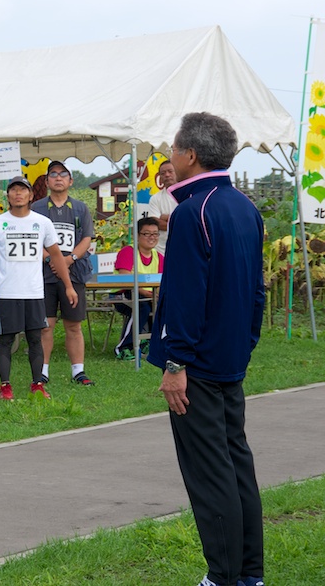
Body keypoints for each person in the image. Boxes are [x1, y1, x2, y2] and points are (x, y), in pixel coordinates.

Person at [148, 113, 265, 586]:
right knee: (237, 465)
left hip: (196, 364)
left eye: (173, 150)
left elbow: (184, 296)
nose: (170, 159)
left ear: (190, 155)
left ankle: (222, 575)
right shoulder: (244, 207)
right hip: (230, 357)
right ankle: (249, 574)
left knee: (210, 474)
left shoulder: (194, 210)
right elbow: (256, 293)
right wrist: (246, 344)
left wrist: (176, 362)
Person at [0, 175, 77, 401]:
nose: (18, 194)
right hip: (7, 293)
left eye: (22, 190)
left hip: (34, 292)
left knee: (35, 339)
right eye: (13, 190)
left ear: (31, 195)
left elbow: (56, 256)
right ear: (7, 195)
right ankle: (5, 386)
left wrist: (68, 286)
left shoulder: (42, 223)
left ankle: (37, 384)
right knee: (6, 341)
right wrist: (6, 276)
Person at [30, 160, 95, 386]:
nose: (58, 178)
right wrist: (49, 259)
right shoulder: (36, 208)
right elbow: (32, 239)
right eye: (53, 174)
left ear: (70, 180)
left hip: (74, 273)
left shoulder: (80, 208)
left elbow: (86, 238)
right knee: (45, 324)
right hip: (44, 274)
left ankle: (79, 371)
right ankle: (43, 370)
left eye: (63, 174)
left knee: (73, 324)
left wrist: (69, 259)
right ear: (47, 181)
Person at [112, 217, 164, 360]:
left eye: (155, 234)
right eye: (147, 234)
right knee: (142, 306)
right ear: (137, 235)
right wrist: (146, 292)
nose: (151, 237)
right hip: (123, 295)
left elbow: (162, 282)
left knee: (164, 305)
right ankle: (124, 347)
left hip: (149, 296)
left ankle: (153, 342)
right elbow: (125, 279)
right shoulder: (128, 252)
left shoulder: (159, 257)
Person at [147, 160, 177, 256]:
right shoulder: (155, 198)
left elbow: (189, 223)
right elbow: (156, 224)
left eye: (170, 171)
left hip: (184, 250)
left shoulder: (188, 195)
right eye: (163, 173)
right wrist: (178, 221)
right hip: (161, 251)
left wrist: (165, 217)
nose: (167, 175)